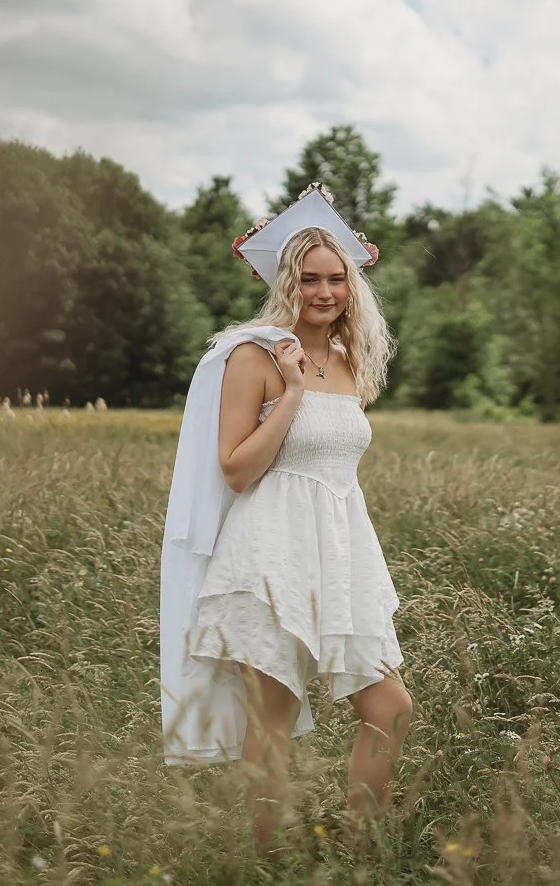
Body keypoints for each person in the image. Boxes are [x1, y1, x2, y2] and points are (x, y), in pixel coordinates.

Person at [159, 185, 412, 847]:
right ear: (284, 284)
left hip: (341, 553)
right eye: (308, 280)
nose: (324, 292)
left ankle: (361, 850)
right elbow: (237, 468)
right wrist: (292, 391)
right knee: (273, 724)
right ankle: (264, 861)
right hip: (269, 557)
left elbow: (336, 467)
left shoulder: (351, 362)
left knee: (390, 709)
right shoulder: (254, 357)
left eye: (336, 279)